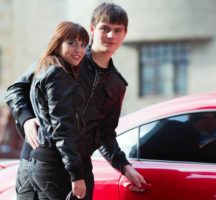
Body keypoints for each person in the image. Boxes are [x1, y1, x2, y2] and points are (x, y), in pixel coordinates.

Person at [5, 2, 146, 200]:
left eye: (117, 30)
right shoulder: (67, 58)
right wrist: (27, 118)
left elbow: (105, 134)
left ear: (124, 34)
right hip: (40, 159)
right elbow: (16, 89)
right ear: (92, 29)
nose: (111, 36)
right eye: (105, 28)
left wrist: (123, 166)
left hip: (79, 166)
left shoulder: (117, 84)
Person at [30, 21, 88, 200]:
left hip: (43, 162)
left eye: (83, 45)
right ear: (57, 43)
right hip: (55, 165)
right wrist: (76, 174)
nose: (78, 50)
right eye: (72, 43)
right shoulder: (58, 74)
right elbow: (62, 127)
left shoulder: (45, 70)